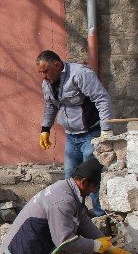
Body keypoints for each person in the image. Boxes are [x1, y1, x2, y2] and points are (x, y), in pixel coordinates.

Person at [1, 159, 128, 254]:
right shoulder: (63, 201)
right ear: (83, 182)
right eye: (94, 187)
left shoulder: (68, 189)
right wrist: (95, 245)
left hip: (39, 243)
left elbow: (83, 221)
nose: (94, 191)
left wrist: (107, 243)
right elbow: (64, 241)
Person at [36, 50, 114, 216]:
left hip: (91, 134)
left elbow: (102, 99)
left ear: (57, 65)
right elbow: (50, 106)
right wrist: (45, 129)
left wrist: (106, 130)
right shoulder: (48, 83)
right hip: (71, 136)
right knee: (71, 180)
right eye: (40, 72)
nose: (43, 76)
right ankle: (76, 215)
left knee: (91, 177)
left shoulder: (80, 75)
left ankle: (100, 216)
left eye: (45, 71)